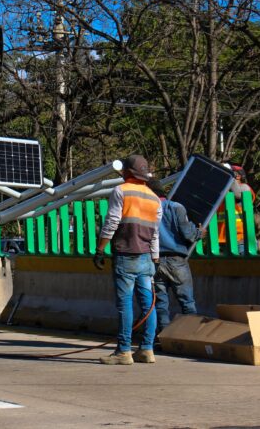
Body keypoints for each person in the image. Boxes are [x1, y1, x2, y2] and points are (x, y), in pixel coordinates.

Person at [93, 154, 162, 365]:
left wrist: (100, 249)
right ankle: (147, 349)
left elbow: (112, 221)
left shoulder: (121, 191)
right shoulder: (154, 198)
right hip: (146, 258)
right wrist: (155, 258)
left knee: (125, 305)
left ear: (127, 172)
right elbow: (155, 233)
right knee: (148, 304)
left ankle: (124, 351)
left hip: (125, 255)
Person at [147, 178, 204, 333]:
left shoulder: (145, 211)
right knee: (187, 301)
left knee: (160, 303)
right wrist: (199, 232)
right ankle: (191, 336)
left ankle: (163, 337)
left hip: (155, 260)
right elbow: (188, 234)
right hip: (176, 260)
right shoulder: (176, 207)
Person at [217, 164, 255, 254]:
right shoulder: (223, 191)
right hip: (223, 239)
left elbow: (237, 193)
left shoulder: (245, 187)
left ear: (238, 176)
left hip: (240, 238)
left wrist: (229, 177)